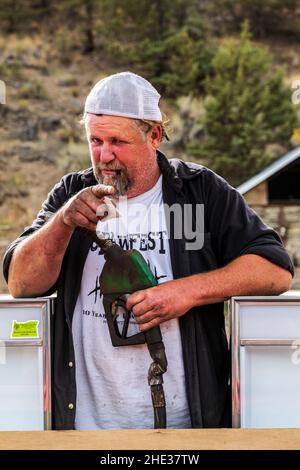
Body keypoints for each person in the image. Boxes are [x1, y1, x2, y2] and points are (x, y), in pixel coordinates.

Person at [3, 71, 293, 430]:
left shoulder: (198, 192)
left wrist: (186, 292)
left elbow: (275, 269)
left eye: (116, 141)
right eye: (95, 140)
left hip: (188, 429)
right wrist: (63, 223)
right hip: (85, 429)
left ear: (154, 135)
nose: (104, 155)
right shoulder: (71, 194)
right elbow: (21, 283)